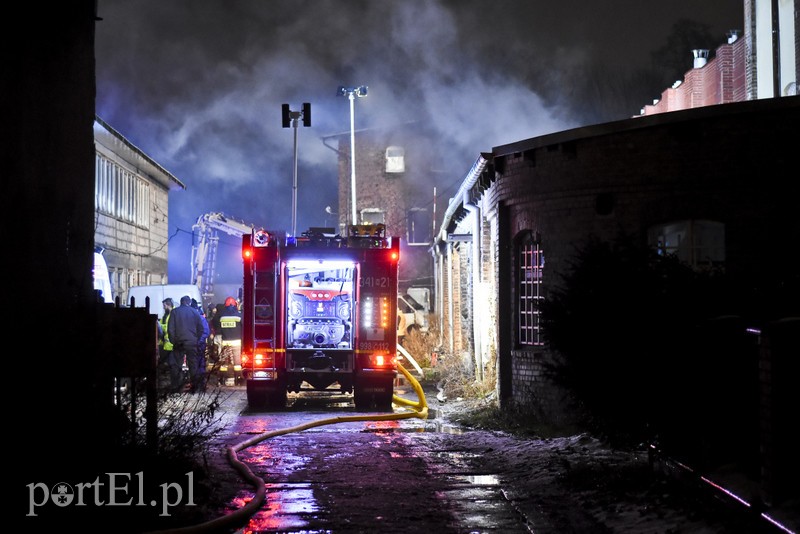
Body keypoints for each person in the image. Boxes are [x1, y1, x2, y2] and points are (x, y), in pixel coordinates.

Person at [167, 295, 206, 393]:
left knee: (177, 365)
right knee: (193, 365)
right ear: (188, 302)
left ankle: (177, 387)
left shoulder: (175, 312)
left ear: (181, 302)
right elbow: (201, 328)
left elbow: (170, 329)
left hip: (179, 342)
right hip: (192, 342)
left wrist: (173, 341)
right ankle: (195, 387)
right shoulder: (195, 312)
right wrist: (196, 339)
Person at [218, 296, 243, 384]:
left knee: (224, 361)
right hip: (236, 341)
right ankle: (238, 378)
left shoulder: (221, 315)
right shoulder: (239, 315)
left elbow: (218, 328)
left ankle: (222, 379)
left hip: (225, 341)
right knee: (237, 361)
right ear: (235, 305)